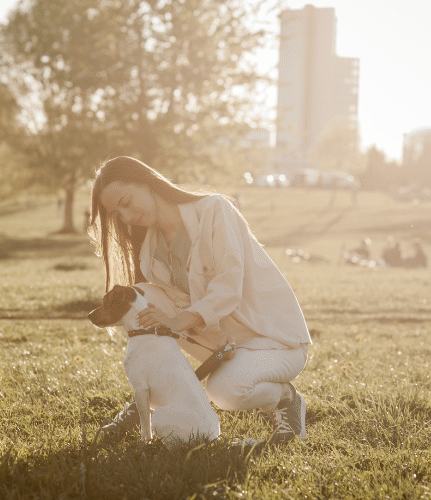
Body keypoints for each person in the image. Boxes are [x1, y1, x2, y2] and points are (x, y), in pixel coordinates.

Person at [88, 156, 312, 446]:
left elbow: (228, 286)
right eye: (118, 213)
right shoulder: (150, 251)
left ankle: (286, 398)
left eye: (127, 202)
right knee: (144, 295)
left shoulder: (214, 210)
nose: (127, 217)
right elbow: (163, 327)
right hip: (226, 348)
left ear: (146, 182)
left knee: (225, 392)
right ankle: (149, 400)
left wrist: (178, 321)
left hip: (275, 342)